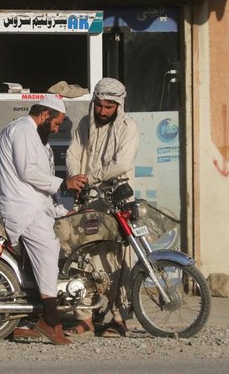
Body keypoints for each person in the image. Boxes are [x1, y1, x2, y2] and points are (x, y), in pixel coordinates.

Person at [0, 94, 88, 345]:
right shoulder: (23, 130)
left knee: (43, 261)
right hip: (25, 209)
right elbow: (28, 171)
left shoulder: (33, 135)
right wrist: (63, 182)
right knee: (48, 254)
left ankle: (35, 319)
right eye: (56, 123)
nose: (57, 129)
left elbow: (38, 181)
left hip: (33, 207)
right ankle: (50, 320)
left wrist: (60, 209)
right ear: (45, 115)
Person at [64, 77, 140, 337]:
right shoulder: (86, 124)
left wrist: (93, 177)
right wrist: (77, 176)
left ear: (118, 105)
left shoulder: (128, 128)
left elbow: (122, 163)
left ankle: (118, 318)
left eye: (109, 107)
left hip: (116, 201)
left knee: (115, 260)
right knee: (82, 259)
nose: (103, 111)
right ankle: (84, 317)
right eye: (99, 105)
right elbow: (73, 153)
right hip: (88, 200)